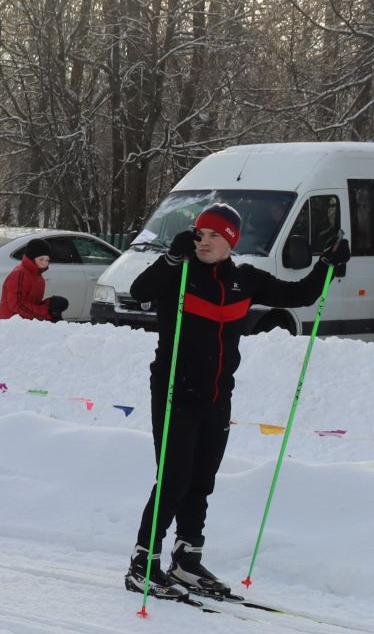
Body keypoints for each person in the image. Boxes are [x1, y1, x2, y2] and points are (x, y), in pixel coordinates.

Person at [124, 203, 348, 596]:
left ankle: (186, 560)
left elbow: (299, 295)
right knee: (174, 478)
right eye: (200, 234)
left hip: (217, 395)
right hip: (175, 390)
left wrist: (327, 264)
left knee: (202, 480)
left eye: (215, 236)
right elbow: (140, 291)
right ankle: (143, 563)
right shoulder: (180, 273)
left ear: (231, 242)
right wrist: (172, 257)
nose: (205, 242)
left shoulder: (246, 280)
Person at [0, 237, 67, 321]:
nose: (44, 263)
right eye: (41, 259)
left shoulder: (38, 277)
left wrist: (50, 305)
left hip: (25, 323)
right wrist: (45, 313)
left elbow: (32, 303)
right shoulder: (20, 274)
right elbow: (16, 305)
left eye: (47, 260)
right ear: (32, 258)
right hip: (11, 325)